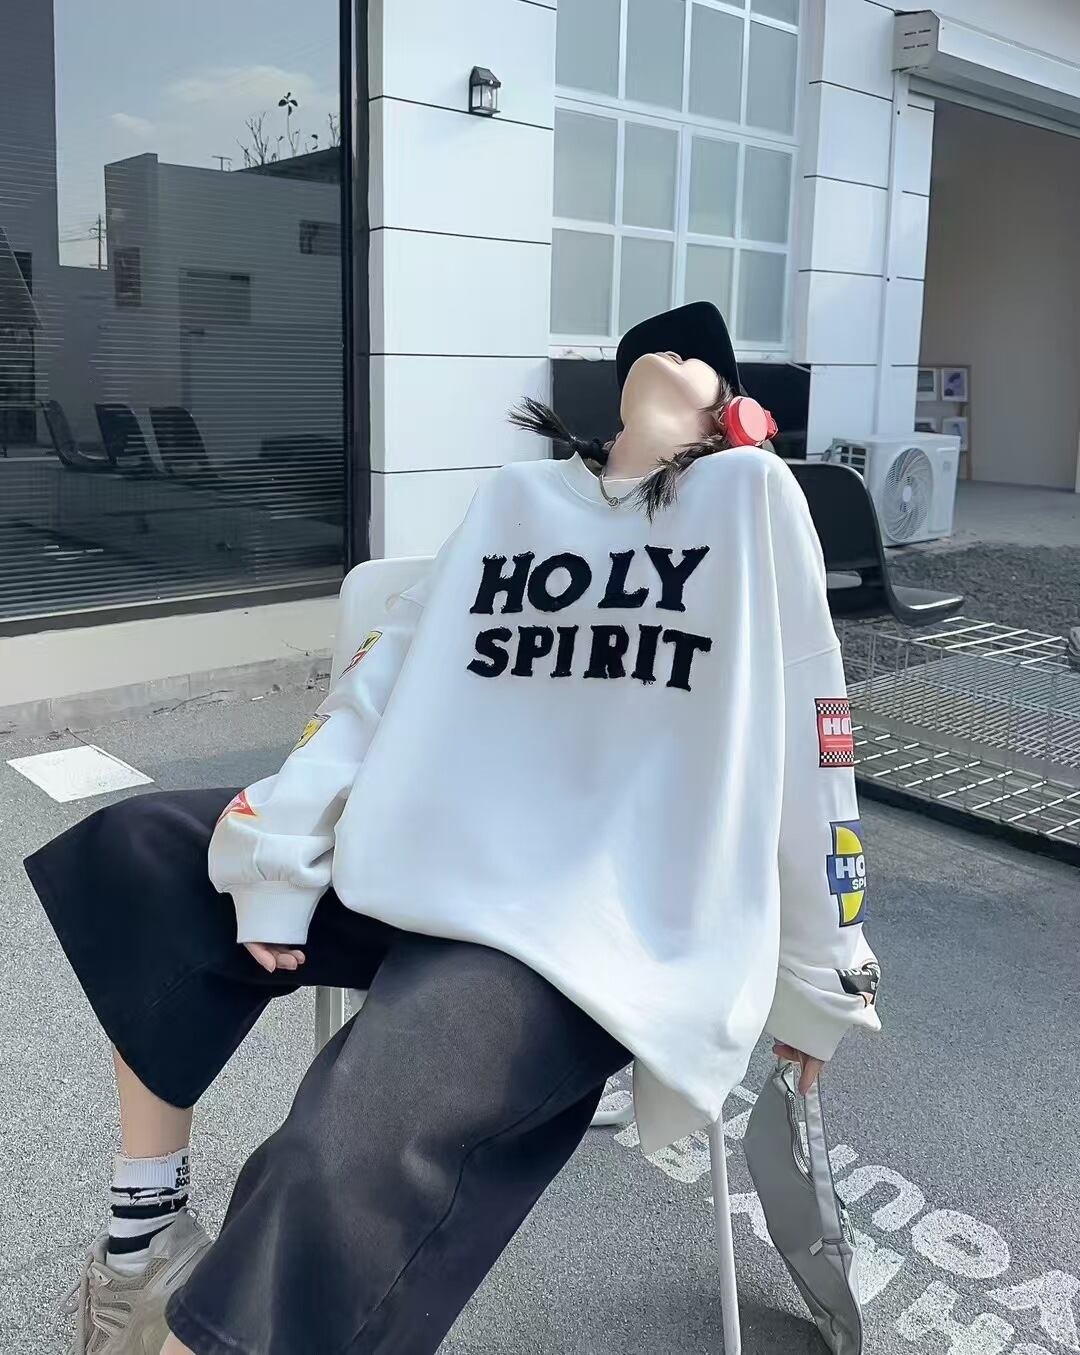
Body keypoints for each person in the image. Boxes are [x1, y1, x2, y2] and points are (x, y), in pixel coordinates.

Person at [27, 302, 881, 1355]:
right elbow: (378, 685)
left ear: (733, 412)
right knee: (147, 855)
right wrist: (280, 852)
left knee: (347, 1141)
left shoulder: (753, 499)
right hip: (421, 857)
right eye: (659, 341)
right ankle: (145, 1242)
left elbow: (813, 739)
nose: (679, 345)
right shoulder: (514, 500)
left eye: (706, 354)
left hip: (574, 925)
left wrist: (824, 975)